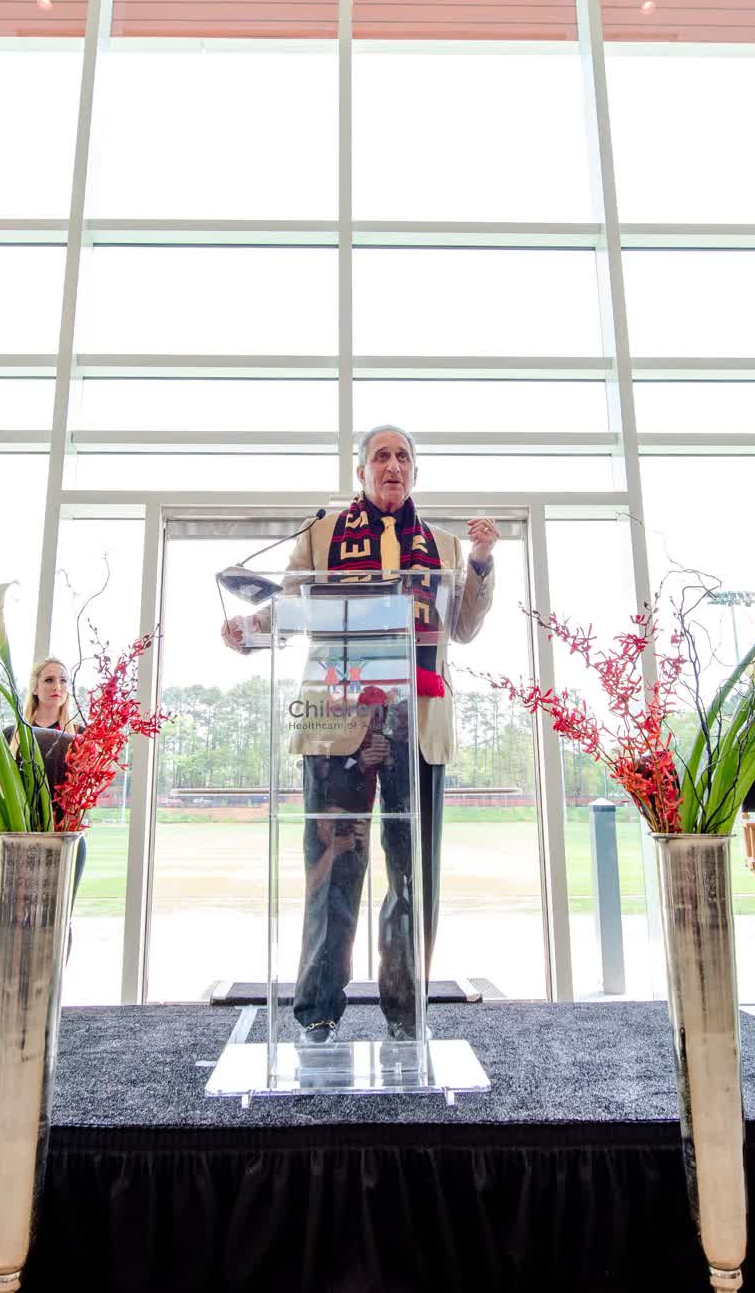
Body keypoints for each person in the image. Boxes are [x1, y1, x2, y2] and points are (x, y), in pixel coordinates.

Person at [222, 423, 497, 1044]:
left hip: (417, 727)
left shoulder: (449, 548)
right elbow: (289, 606)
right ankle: (318, 1011)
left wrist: (480, 565)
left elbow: (466, 629)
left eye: (403, 456)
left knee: (412, 876)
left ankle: (406, 1014)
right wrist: (250, 630)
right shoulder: (322, 534)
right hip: (336, 726)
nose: (392, 465)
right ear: (362, 472)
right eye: (381, 456)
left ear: (415, 473)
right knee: (331, 870)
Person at [0, 658, 84, 906]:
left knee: (58, 921)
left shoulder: (81, 737)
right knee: (5, 919)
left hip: (63, 838)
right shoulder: (11, 734)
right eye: (49, 680)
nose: (57, 687)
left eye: (63, 680)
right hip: (13, 837)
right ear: (35, 687)